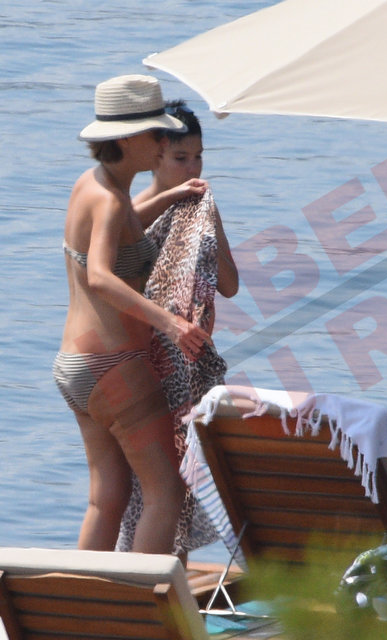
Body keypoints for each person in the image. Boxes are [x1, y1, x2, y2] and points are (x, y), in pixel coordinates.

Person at [53, 74, 212, 553]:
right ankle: (139, 600)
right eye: (157, 134)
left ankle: (76, 597)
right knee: (167, 492)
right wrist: (171, 322)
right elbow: (100, 276)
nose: (164, 143)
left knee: (107, 497)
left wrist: (166, 198)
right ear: (125, 139)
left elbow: (120, 233)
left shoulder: (96, 185)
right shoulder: (108, 199)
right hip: (114, 367)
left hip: (75, 368)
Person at [114, 100, 239, 559]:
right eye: (181, 158)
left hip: (191, 363)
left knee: (182, 484)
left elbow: (230, 286)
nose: (193, 168)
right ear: (155, 157)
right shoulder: (130, 210)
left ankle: (174, 581)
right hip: (145, 362)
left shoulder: (201, 206)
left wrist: (209, 222)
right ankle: (136, 582)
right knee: (146, 485)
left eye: (199, 157)